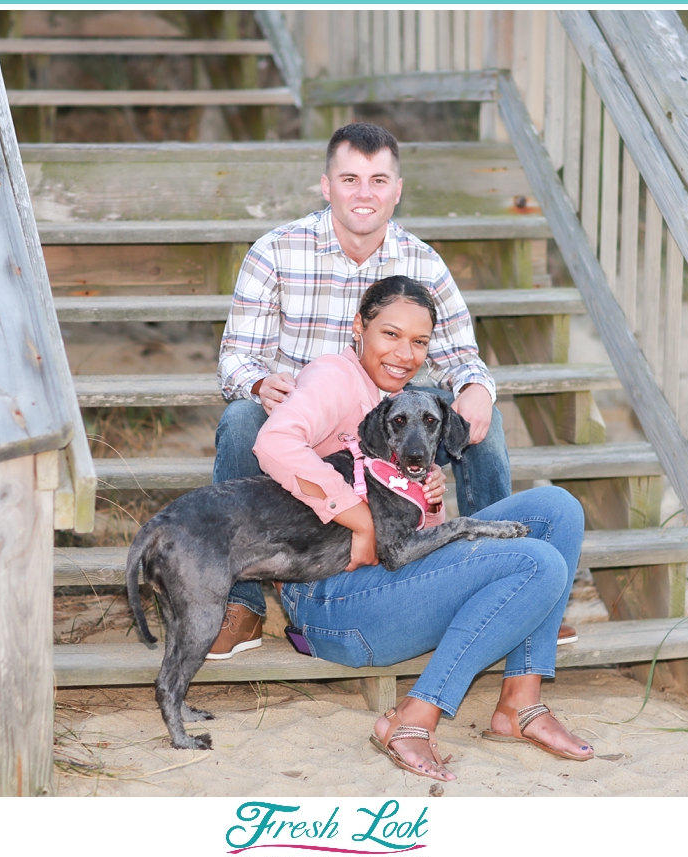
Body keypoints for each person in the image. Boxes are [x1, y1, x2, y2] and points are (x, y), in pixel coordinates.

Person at [253, 276, 592, 780]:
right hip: (330, 599)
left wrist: (428, 500)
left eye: (419, 341)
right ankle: (415, 718)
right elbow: (274, 443)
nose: (404, 353)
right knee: (537, 564)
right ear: (358, 330)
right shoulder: (332, 377)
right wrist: (356, 516)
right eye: (390, 335)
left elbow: (407, 533)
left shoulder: (410, 402)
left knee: (557, 509)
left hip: (387, 578)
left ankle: (519, 703)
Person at [209, 122, 513, 658]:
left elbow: (462, 358)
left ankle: (501, 579)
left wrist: (476, 389)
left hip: (390, 417)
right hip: (308, 414)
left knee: (480, 422)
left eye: (378, 180)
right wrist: (259, 381)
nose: (364, 193)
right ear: (327, 186)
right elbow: (234, 357)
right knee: (240, 420)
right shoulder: (275, 251)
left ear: (397, 189)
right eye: (350, 179)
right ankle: (242, 601)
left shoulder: (423, 263)